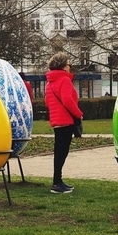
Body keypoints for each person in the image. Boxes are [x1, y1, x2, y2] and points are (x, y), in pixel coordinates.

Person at [45, 51, 83, 194]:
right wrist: (79, 114)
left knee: (59, 152)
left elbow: (47, 101)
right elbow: (68, 100)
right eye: (68, 64)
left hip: (56, 121)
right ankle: (57, 183)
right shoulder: (64, 80)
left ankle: (58, 181)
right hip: (66, 121)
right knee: (62, 152)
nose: (70, 67)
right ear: (62, 66)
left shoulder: (49, 82)